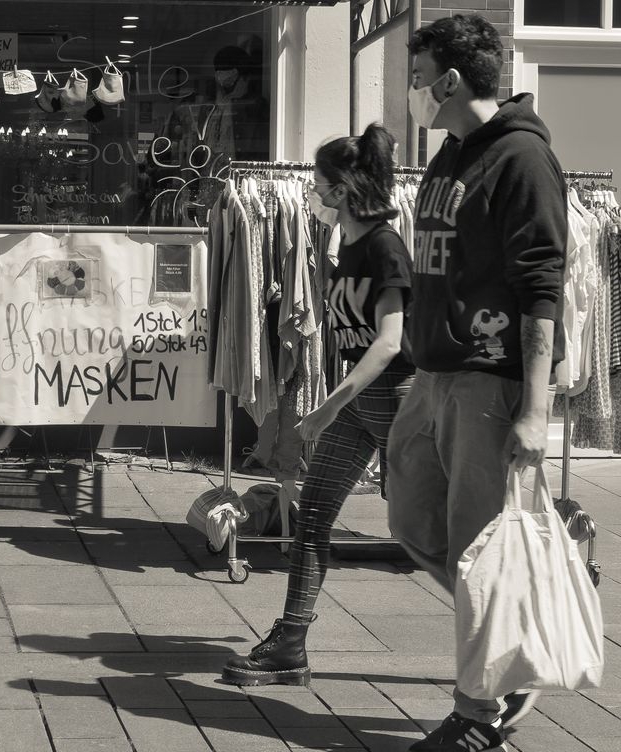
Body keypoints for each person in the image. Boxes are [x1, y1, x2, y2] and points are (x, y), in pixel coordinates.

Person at [387, 15, 567, 752]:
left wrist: (535, 406)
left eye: (419, 74)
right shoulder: (451, 154)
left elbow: (542, 287)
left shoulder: (521, 159)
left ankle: (478, 712)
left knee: (475, 551)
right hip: (433, 377)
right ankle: (513, 639)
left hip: (486, 384)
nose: (413, 90)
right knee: (412, 524)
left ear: (451, 80)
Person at [222, 123, 415, 687]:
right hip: (357, 403)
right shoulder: (347, 244)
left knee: (431, 534)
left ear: (343, 189)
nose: (312, 191)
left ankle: (503, 638)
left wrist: (327, 405)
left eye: (318, 182)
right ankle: (291, 643)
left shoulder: (384, 245)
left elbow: (389, 341)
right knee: (311, 521)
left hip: (396, 400)